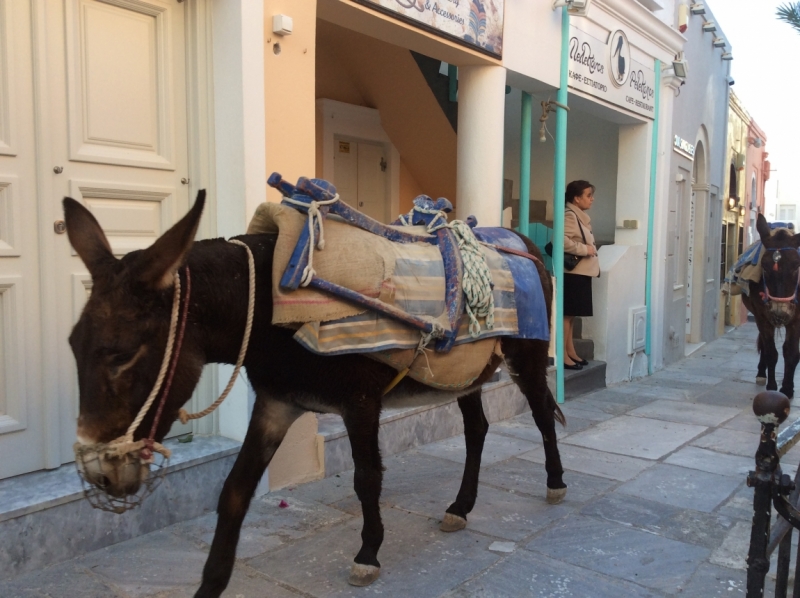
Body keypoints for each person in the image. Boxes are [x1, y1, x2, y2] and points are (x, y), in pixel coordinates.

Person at [562, 180, 600, 370]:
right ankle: (563, 355)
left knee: (571, 316)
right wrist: (585, 249)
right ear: (576, 199)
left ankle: (571, 352)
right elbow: (560, 240)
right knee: (566, 316)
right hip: (573, 273)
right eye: (588, 195)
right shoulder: (570, 216)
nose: (591, 199)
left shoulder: (579, 216)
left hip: (581, 272)